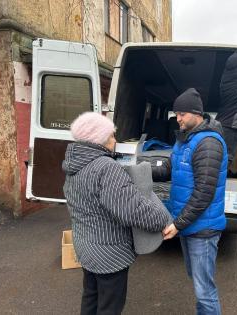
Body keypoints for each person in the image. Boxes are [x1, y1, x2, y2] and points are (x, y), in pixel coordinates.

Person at [62, 112, 170, 315]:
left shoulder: (74, 165)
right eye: (111, 136)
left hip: (86, 247)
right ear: (98, 139)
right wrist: (163, 219)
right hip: (109, 253)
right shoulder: (106, 167)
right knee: (110, 307)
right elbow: (132, 210)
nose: (115, 140)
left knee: (91, 298)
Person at [152, 88, 228, 315]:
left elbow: (204, 193)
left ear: (197, 113)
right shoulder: (186, 140)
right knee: (197, 280)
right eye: (176, 114)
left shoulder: (208, 143)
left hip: (202, 228)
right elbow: (171, 169)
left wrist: (178, 224)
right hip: (189, 226)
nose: (178, 118)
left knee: (204, 291)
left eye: (182, 113)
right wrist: (144, 170)